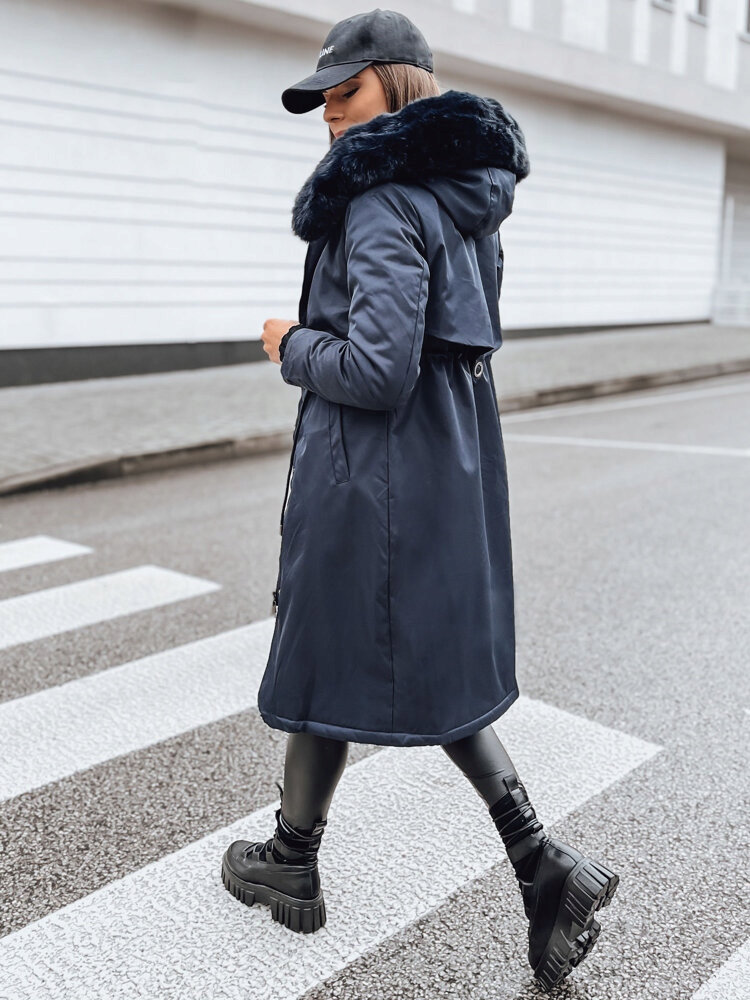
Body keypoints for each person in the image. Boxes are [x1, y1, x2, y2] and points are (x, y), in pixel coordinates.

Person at [221, 9, 619, 992]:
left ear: (398, 84)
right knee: (421, 660)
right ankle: (527, 861)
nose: (329, 113)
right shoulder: (465, 196)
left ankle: (303, 858)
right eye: (319, 98)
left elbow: (377, 367)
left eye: (347, 90)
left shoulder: (378, 200)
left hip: (373, 472)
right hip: (447, 463)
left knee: (327, 643)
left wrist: (290, 344)